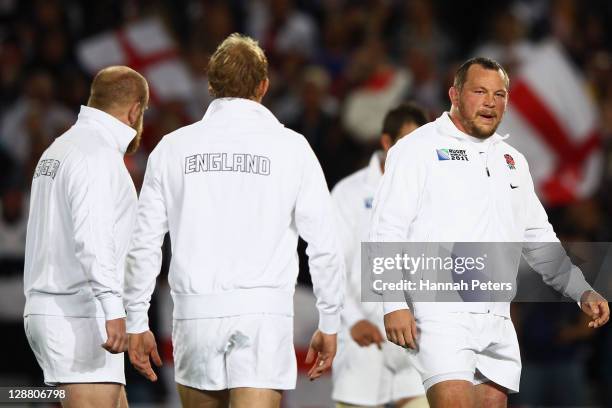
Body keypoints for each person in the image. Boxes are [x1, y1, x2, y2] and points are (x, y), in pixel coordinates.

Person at [369, 57, 610, 408]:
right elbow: (386, 228)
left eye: (500, 94)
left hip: (498, 316)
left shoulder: (512, 160)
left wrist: (581, 291)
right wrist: (392, 303)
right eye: (479, 91)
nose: (490, 102)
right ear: (454, 94)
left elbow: (539, 239)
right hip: (440, 311)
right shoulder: (417, 149)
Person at [123, 33, 344, 408]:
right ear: (263, 86)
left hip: (196, 314)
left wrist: (135, 321)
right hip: (263, 315)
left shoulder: (173, 148)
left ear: (210, 86)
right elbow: (324, 243)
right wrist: (331, 320)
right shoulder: (292, 148)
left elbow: (143, 244)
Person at [23, 65, 149, 408]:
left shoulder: (59, 149)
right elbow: (92, 238)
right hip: (80, 315)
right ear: (135, 110)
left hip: (62, 309)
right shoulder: (97, 156)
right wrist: (112, 307)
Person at [331, 103, 429, 408]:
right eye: (406, 143)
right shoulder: (348, 192)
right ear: (386, 142)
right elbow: (331, 265)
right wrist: (353, 320)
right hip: (363, 340)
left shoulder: (433, 192)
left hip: (418, 343)